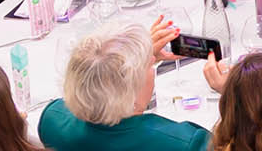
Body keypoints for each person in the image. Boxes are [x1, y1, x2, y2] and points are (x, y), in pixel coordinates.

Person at [41, 14, 222, 151]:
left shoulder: (51, 120)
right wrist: (231, 93)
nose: (153, 60)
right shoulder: (188, 143)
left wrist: (137, 57)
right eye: (148, 64)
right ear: (130, 94)